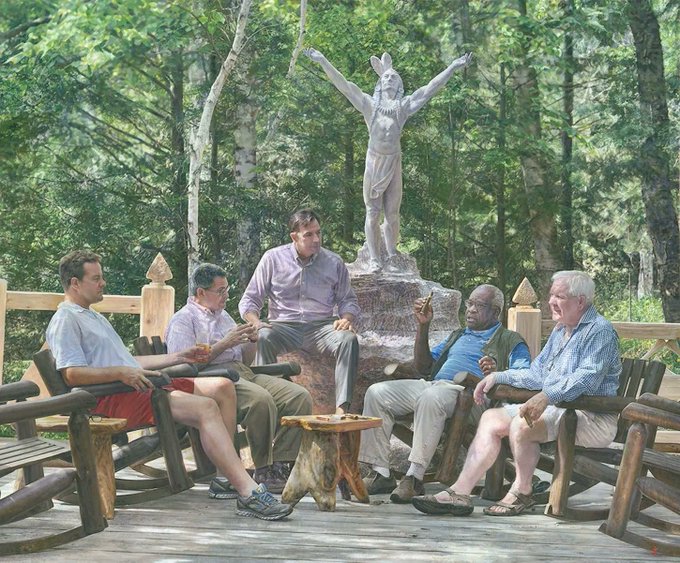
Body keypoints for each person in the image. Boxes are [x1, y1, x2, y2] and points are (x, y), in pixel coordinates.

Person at [46, 250, 293, 521]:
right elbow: (72, 374)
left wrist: (179, 356)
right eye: (96, 278)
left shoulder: (93, 316)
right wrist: (120, 373)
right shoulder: (66, 319)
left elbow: (131, 361)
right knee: (206, 408)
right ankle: (249, 492)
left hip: (134, 388)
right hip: (111, 398)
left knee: (222, 386)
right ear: (75, 283)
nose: (103, 283)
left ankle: (225, 478)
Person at [412, 270, 621, 517]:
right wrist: (497, 376)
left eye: (559, 297)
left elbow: (586, 378)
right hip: (562, 411)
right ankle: (460, 492)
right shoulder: (561, 331)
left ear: (580, 301)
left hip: (591, 418)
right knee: (491, 418)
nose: (551, 302)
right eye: (551, 295)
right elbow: (536, 374)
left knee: (522, 423)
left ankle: (522, 490)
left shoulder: (599, 331)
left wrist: (546, 396)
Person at [304, 48, 472, 272]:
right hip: (374, 162)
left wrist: (452, 66)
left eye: (394, 76)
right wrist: (323, 60)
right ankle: (374, 259)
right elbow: (344, 85)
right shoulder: (368, 105)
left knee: (392, 213)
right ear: (380, 82)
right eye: (386, 76)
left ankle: (392, 254)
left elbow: (430, 88)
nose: (390, 78)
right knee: (372, 212)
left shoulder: (403, 107)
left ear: (399, 84)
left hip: (393, 162)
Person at [360, 284, 531, 503]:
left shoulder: (510, 340)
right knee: (377, 393)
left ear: (495, 312)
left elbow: (524, 375)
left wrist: (498, 373)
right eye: (470, 303)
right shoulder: (457, 335)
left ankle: (414, 477)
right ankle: (381, 473)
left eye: (479, 305)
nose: (471, 310)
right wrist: (423, 326)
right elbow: (423, 366)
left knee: (431, 397)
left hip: (470, 396)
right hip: (435, 385)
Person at [165, 263, 313, 495]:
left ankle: (280, 465)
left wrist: (251, 341)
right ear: (201, 292)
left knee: (299, 396)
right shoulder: (183, 320)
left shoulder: (223, 317)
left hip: (242, 372)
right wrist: (225, 344)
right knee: (260, 400)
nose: (226, 296)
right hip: (214, 379)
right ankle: (262, 467)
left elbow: (244, 359)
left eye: (227, 289)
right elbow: (183, 366)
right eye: (220, 291)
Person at [239, 209, 361, 414]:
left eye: (318, 233)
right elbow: (250, 300)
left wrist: (346, 318)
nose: (316, 239)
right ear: (294, 237)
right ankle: (270, 407)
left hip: (321, 328)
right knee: (263, 336)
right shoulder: (272, 258)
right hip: (283, 327)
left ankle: (342, 409)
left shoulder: (334, 262)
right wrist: (256, 323)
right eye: (309, 235)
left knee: (348, 339)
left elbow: (348, 300)